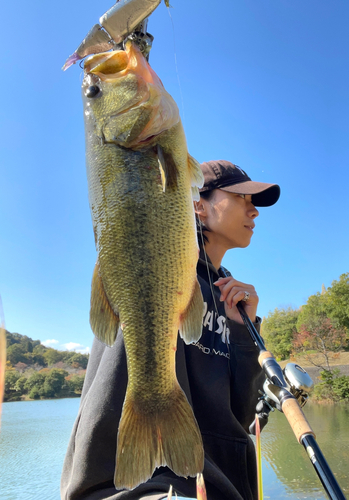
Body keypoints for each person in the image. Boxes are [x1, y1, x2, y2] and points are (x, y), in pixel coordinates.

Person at [61, 160, 280, 500]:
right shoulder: (156, 270)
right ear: (197, 204)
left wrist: (243, 332)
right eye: (242, 198)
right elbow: (108, 402)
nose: (254, 211)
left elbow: (243, 420)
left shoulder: (233, 298)